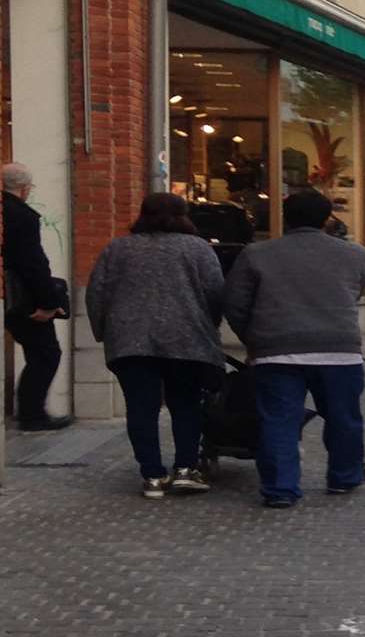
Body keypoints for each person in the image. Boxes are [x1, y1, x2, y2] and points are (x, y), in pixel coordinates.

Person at [224, 190, 365, 509]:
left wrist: (254, 338)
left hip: (276, 350)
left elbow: (234, 303)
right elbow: (356, 292)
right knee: (344, 418)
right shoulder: (355, 254)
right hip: (339, 349)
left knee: (278, 420)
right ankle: (344, 477)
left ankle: (280, 488)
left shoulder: (256, 254)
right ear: (326, 218)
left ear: (285, 217)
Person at [86, 193, 227, 498]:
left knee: (140, 408)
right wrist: (211, 327)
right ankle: (185, 469)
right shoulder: (197, 248)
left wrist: (103, 331)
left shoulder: (118, 248)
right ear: (183, 215)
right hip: (187, 339)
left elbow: (97, 292)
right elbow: (216, 292)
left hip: (129, 340)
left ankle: (152, 476)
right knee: (186, 404)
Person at [3, 163, 71, 431]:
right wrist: (48, 303)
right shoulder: (21, 215)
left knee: (41, 353)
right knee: (46, 353)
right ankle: (32, 414)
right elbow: (33, 264)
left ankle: (30, 412)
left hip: (11, 296)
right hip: (24, 300)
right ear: (24, 188)